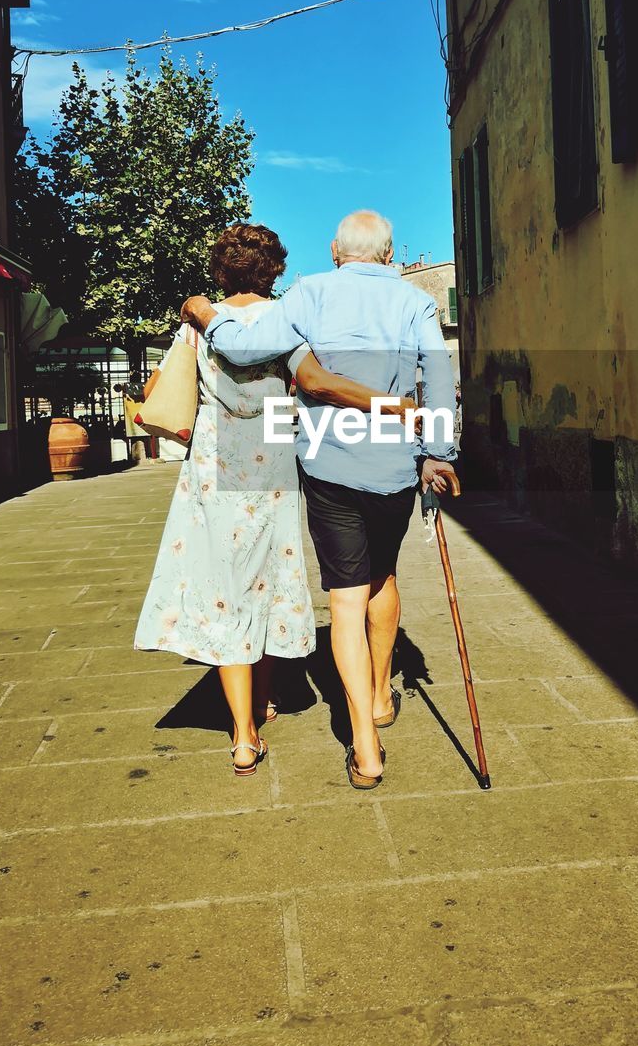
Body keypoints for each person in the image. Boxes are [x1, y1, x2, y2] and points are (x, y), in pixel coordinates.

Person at [182, 210, 459, 790]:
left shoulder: (310, 293)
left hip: (330, 467)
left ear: (335, 250)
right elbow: (437, 373)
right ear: (390, 256)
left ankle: (365, 744)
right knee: (383, 574)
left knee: (346, 600)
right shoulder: (415, 302)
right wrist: (438, 453)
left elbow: (242, 344)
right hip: (395, 467)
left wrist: (207, 315)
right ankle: (382, 697)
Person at [134, 224, 415, 776]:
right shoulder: (288, 322)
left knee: (227, 595)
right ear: (275, 269)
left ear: (220, 268)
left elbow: (155, 395)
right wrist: (391, 405)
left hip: (213, 476)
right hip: (275, 474)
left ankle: (244, 736)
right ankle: (271, 700)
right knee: (263, 586)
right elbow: (318, 383)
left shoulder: (200, 323)